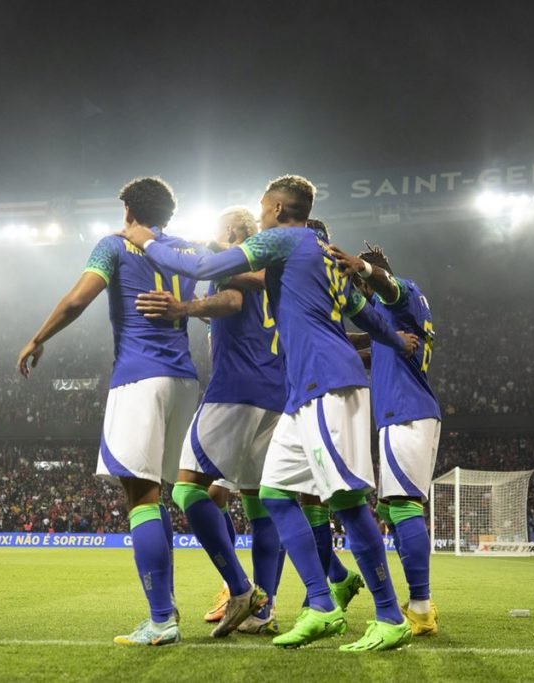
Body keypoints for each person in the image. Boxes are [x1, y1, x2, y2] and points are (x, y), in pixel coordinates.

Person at [121, 174, 417, 651]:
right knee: (276, 495)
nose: (260, 217)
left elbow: (212, 264)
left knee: (345, 501)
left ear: (279, 209)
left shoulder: (284, 238)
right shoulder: (320, 253)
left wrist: (149, 240)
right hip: (295, 393)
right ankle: (321, 603)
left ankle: (389, 615)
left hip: (327, 383)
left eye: (263, 208)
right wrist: (392, 337)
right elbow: (361, 310)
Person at [18, 177, 201, 646]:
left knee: (139, 496)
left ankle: (161, 620)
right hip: (184, 380)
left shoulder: (114, 245)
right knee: (156, 494)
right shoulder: (182, 249)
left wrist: (39, 338)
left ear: (127, 211)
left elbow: (79, 297)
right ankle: (167, 610)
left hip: (139, 377)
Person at [135, 206, 284, 636]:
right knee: (259, 506)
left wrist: (183, 306)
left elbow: (232, 298)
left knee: (186, 489)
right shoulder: (274, 272)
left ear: (234, 231)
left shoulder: (237, 262)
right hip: (275, 392)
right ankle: (263, 610)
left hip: (237, 387)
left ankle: (240, 589)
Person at [330, 241, 441, 637]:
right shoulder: (399, 318)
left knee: (403, 505)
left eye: (362, 286)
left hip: (405, 414)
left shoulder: (401, 295)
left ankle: (422, 609)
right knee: (395, 510)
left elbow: (389, 287)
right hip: (411, 413)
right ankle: (419, 604)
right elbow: (370, 343)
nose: (361, 295)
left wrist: (361, 267)